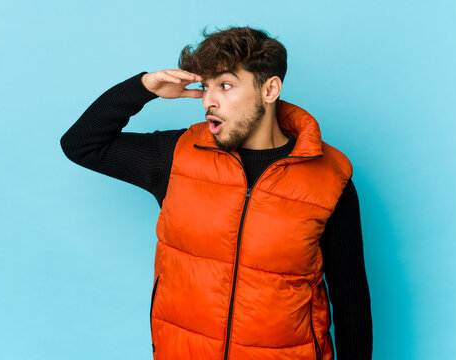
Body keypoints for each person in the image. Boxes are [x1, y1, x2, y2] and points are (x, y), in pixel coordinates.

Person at [60, 26, 372, 360]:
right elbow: (81, 144)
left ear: (270, 89)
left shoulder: (329, 177)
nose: (209, 100)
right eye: (205, 86)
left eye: (225, 85)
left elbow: (351, 300)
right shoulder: (175, 156)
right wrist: (143, 87)